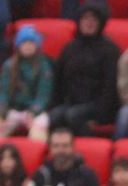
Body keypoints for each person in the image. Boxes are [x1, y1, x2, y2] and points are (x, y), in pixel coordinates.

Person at [49, 1, 120, 136]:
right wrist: (54, 105)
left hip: (98, 106)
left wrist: (99, 114)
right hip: (72, 103)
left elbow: (110, 88)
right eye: (85, 18)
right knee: (54, 116)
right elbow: (58, 82)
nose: (89, 23)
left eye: (93, 19)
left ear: (100, 23)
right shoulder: (69, 48)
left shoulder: (110, 50)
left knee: (73, 116)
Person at [0, 25, 54, 143]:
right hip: (13, 110)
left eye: (31, 43)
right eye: (24, 43)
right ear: (18, 45)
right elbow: (3, 92)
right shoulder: (9, 65)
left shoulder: (44, 66)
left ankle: (34, 158)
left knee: (40, 126)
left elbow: (44, 94)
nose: (28, 46)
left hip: (35, 111)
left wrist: (34, 111)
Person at [32, 128, 101, 186]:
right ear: (50, 148)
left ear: (73, 147)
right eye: (56, 146)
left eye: (65, 146)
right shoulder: (42, 175)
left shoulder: (87, 175)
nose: (60, 150)